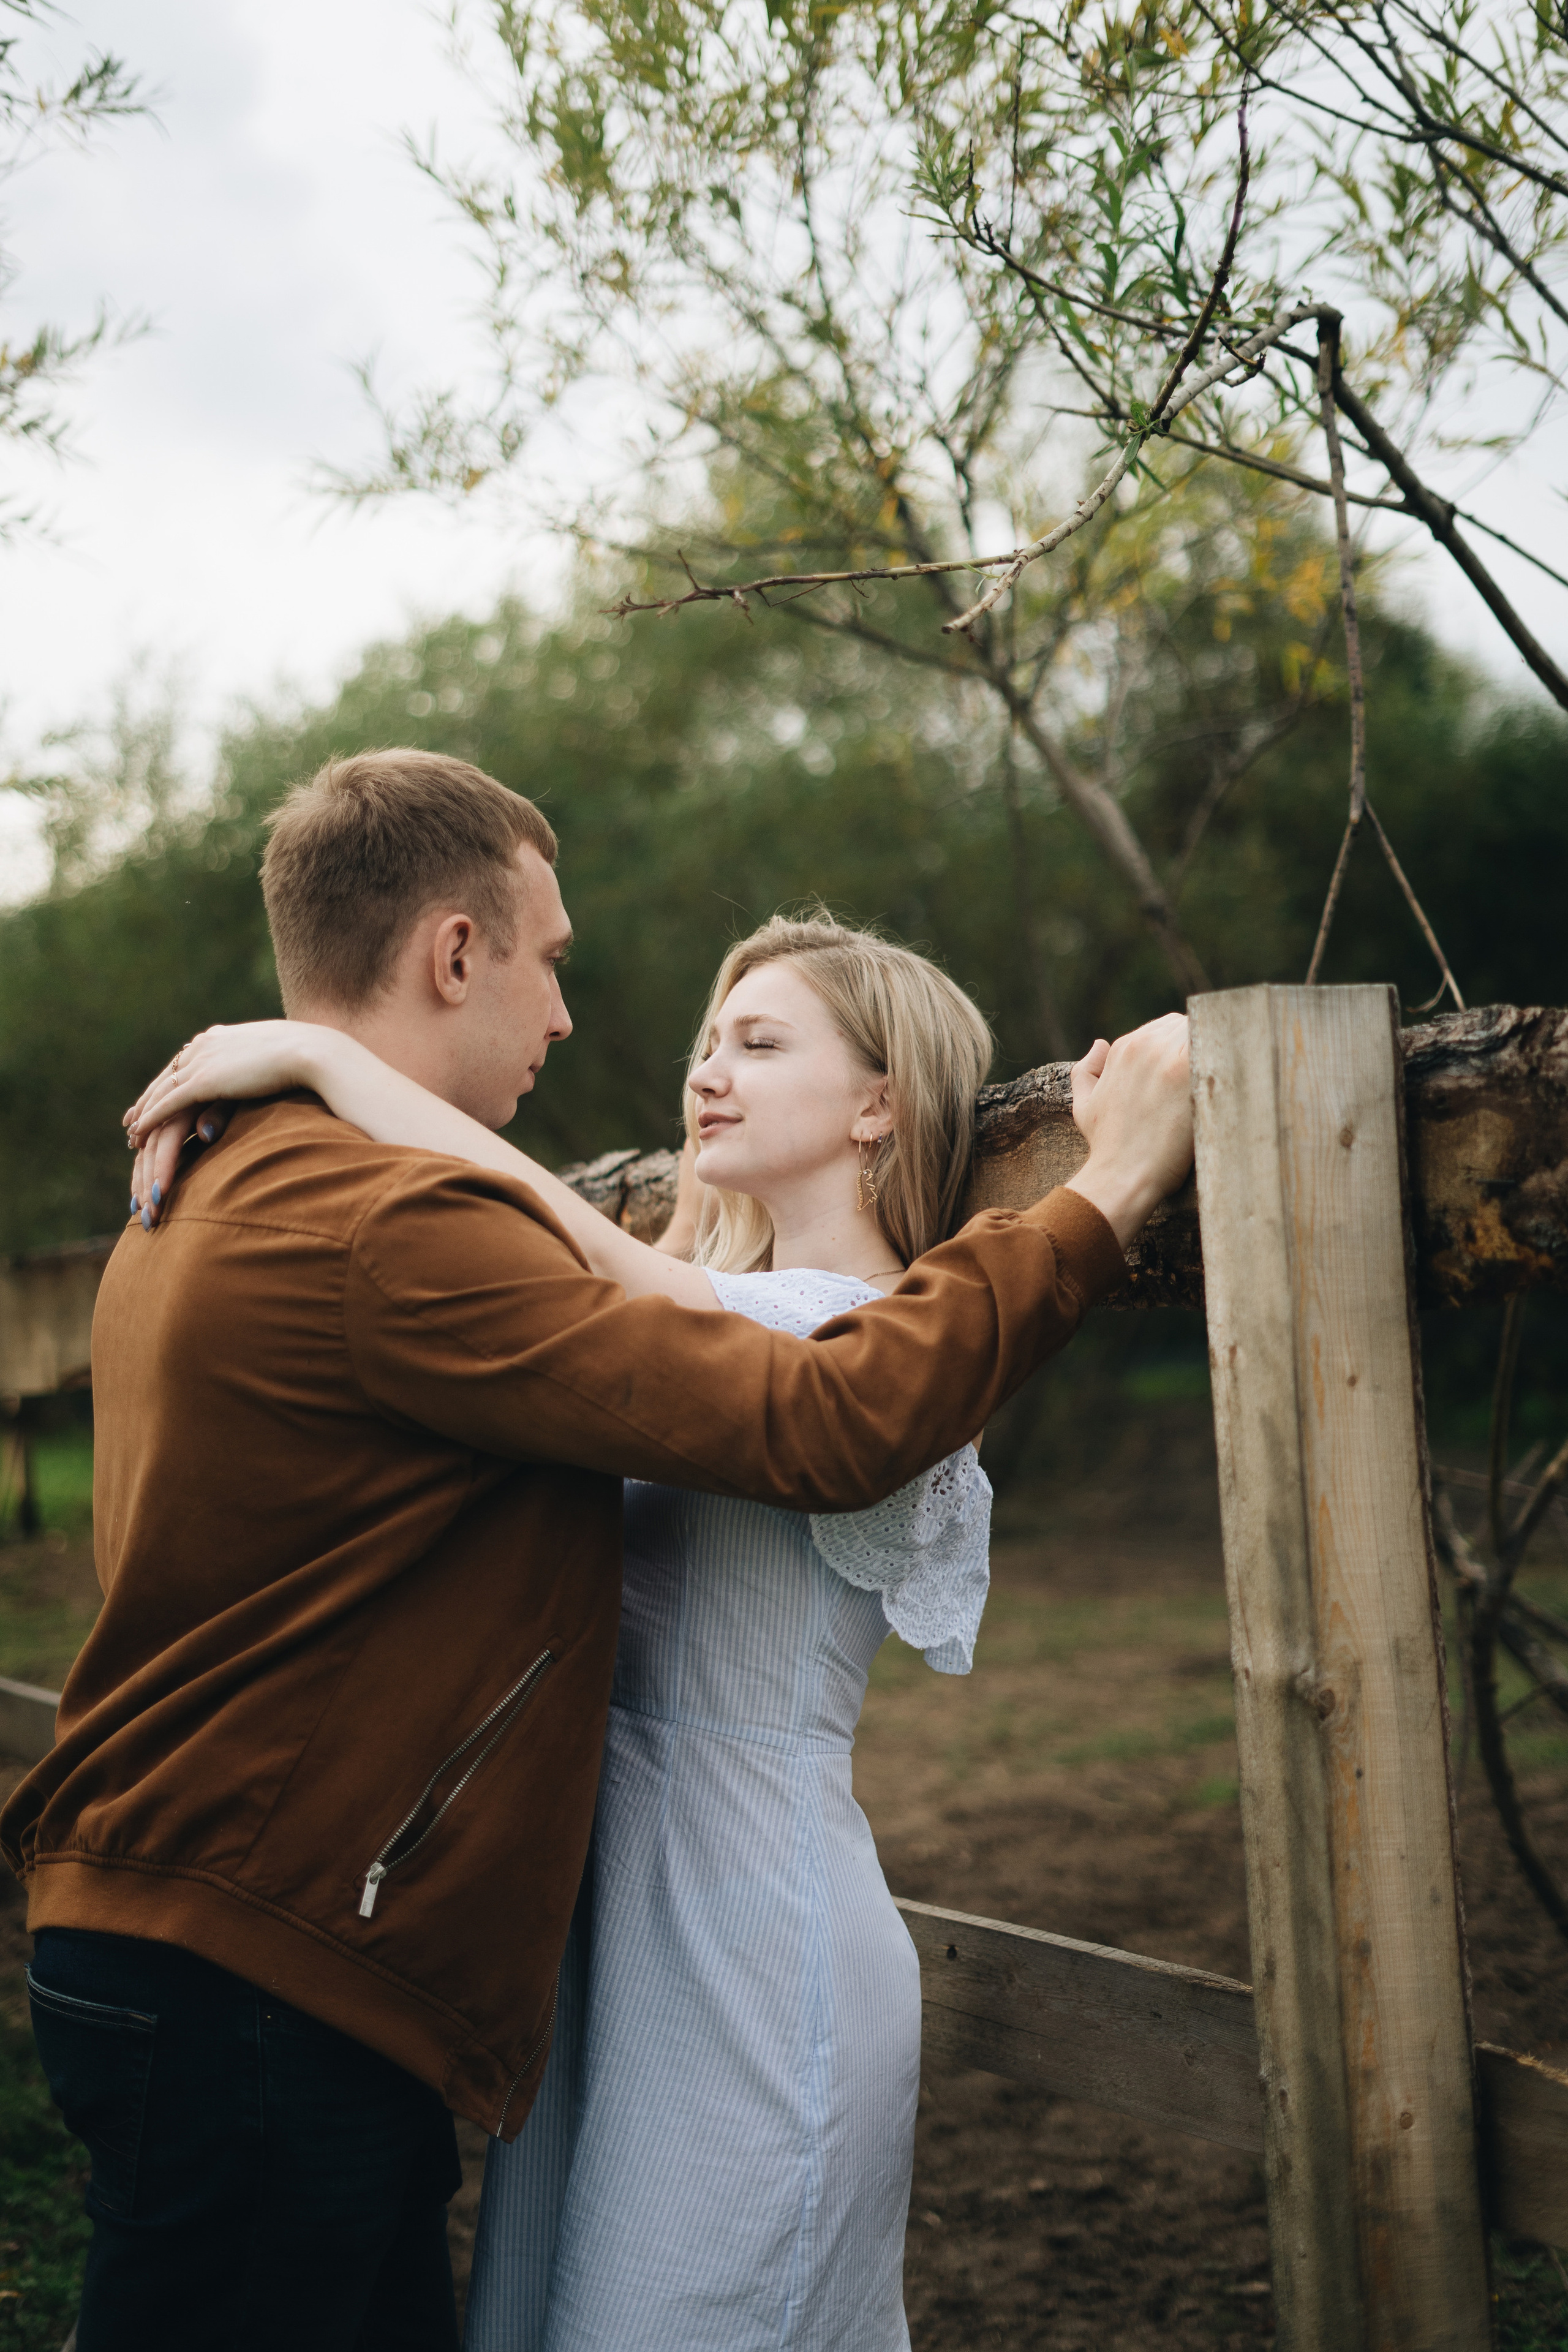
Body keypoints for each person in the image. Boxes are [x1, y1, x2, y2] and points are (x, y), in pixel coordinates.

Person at [2, 749, 1192, 2352]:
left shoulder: (240, 1174)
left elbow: (694, 1325)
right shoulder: (382, 1220)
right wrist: (1109, 1192)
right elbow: (802, 1404)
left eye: (755, 1040)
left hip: (339, 1945)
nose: (573, 1015)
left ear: (873, 1101)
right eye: (550, 960)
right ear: (453, 955)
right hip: (268, 1973)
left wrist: (325, 1068)